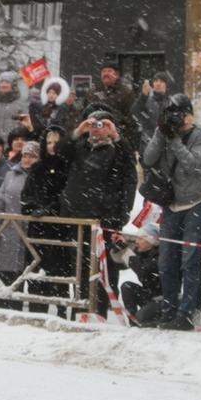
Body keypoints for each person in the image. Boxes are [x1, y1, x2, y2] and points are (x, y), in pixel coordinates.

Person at [58, 109, 138, 319]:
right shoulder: (80, 147)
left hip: (105, 217)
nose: (97, 129)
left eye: (102, 125)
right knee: (79, 266)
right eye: (93, 124)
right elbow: (58, 154)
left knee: (104, 268)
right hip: (78, 216)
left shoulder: (117, 150)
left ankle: (100, 311)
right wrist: (78, 131)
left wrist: (117, 137)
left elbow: (129, 175)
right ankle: (80, 309)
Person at [142, 95, 201, 331]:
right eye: (172, 114)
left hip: (195, 202)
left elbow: (192, 163)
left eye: (181, 114)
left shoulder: (200, 134)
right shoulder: (164, 131)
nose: (177, 119)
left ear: (190, 115)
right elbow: (148, 159)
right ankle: (169, 310)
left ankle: (187, 313)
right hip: (171, 204)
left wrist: (175, 141)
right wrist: (161, 133)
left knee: (190, 260)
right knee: (166, 260)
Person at [22, 125, 73, 317]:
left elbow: (67, 195)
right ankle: (37, 311)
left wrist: (50, 209)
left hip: (59, 229)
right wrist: (33, 207)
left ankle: (62, 312)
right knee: (37, 272)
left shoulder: (69, 167)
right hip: (38, 229)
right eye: (49, 142)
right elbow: (26, 195)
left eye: (56, 142)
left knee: (60, 275)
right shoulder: (37, 167)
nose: (52, 146)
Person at [0, 140, 41, 311]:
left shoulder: (41, 175)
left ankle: (34, 309)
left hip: (32, 233)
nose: (27, 159)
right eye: (25, 155)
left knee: (32, 273)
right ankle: (8, 305)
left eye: (32, 156)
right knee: (8, 272)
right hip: (9, 233)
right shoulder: (11, 175)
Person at [84, 61, 140, 151]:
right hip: (93, 137)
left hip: (116, 137)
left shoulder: (126, 93)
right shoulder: (92, 92)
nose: (106, 74)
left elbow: (131, 119)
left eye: (109, 71)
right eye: (104, 71)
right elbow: (84, 113)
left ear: (117, 75)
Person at [118, 222, 162, 325]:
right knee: (127, 286)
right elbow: (120, 264)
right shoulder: (144, 252)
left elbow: (142, 269)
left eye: (140, 239)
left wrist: (127, 250)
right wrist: (117, 247)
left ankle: (148, 318)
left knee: (142, 316)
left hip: (165, 301)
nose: (136, 242)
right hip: (149, 297)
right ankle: (133, 322)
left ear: (152, 241)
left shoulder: (161, 255)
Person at [132, 70, 172, 160]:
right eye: (156, 81)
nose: (158, 84)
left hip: (165, 144)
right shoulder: (146, 99)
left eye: (161, 82)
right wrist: (143, 96)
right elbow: (135, 112)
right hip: (147, 141)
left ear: (166, 85)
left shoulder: (171, 102)